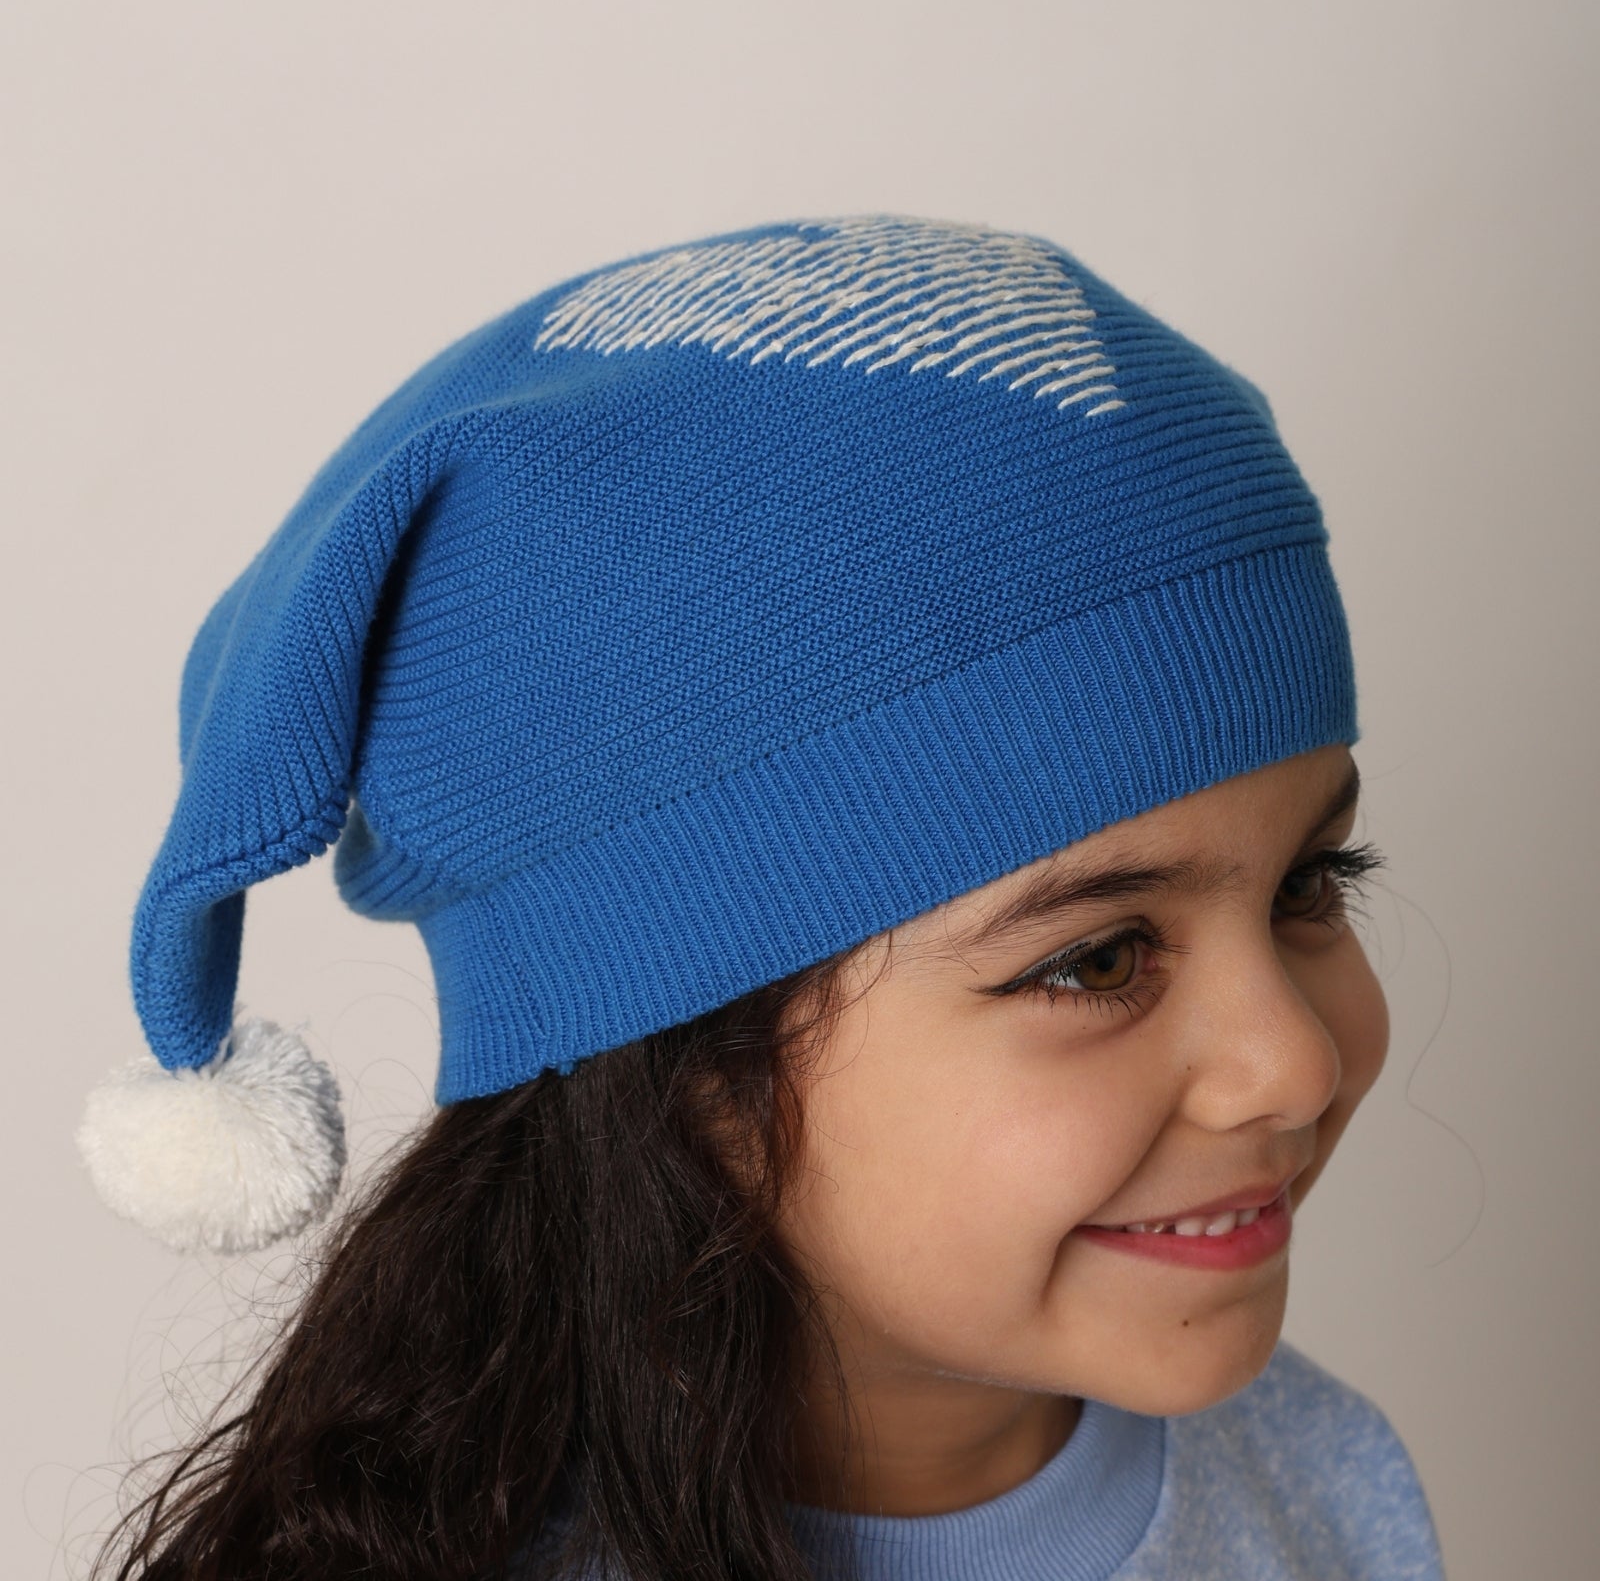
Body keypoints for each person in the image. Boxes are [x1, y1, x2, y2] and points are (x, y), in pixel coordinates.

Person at [77, 215, 1447, 1579]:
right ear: (686, 1064)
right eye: (1097, 960)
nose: (1295, 1062)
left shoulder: (1327, 1486)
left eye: (1308, 884)